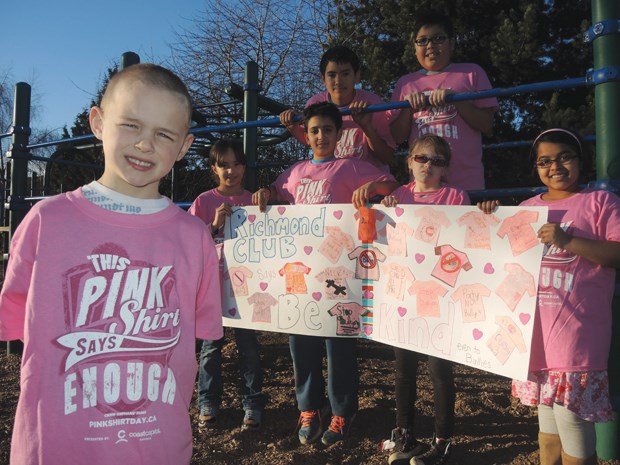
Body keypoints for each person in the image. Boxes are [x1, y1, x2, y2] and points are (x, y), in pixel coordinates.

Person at [0, 64, 223, 465]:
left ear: (185, 147)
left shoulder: (194, 239)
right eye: (132, 125)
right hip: (55, 448)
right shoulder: (46, 222)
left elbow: (205, 328)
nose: (144, 144)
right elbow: (12, 318)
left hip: (156, 449)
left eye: (163, 134)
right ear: (98, 122)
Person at [254, 101, 399, 446]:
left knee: (339, 345)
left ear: (339, 134)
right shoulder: (294, 172)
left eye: (328, 130)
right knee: (299, 340)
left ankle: (342, 411)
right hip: (300, 274)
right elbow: (276, 193)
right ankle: (309, 408)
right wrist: (266, 192)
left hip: (340, 274)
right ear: (306, 134)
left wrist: (374, 190)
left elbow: (392, 185)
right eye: (314, 130)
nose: (321, 136)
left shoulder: (352, 167)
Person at [478, 128, 620, 465]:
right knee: (546, 422)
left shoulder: (600, 202)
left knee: (571, 418)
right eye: (544, 161)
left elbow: (616, 254)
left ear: (580, 160)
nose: (554, 166)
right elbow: (494, 257)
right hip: (534, 337)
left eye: (564, 157)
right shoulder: (526, 208)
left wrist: (568, 241)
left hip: (578, 337)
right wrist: (488, 216)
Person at [380, 134, 469, 465]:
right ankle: (404, 432)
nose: (428, 166)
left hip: (441, 301)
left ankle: (442, 439)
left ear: (446, 169)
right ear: (409, 161)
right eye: (421, 158)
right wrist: (387, 209)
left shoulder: (456, 196)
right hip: (403, 298)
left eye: (437, 161)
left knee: (439, 372)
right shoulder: (398, 196)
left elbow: (463, 239)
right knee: (403, 370)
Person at [189, 139, 266, 431]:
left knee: (249, 348)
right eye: (224, 165)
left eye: (236, 164)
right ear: (214, 169)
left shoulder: (254, 201)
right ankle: (208, 401)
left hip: (247, 291)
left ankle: (253, 402)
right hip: (213, 290)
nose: (230, 171)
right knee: (210, 349)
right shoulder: (204, 202)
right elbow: (189, 245)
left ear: (244, 167)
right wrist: (212, 227)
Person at [389, 10, 498, 190]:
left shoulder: (472, 72)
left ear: (452, 43)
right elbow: (397, 136)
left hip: (467, 186)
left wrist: (456, 100)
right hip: (423, 189)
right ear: (414, 48)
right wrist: (407, 108)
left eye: (438, 38)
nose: (430, 45)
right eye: (422, 40)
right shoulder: (405, 84)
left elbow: (487, 124)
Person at [280, 45, 395, 170]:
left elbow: (387, 157)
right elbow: (310, 140)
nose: (338, 81)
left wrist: (366, 126)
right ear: (323, 78)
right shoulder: (315, 103)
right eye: (332, 75)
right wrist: (292, 127)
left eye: (345, 74)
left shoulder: (372, 103)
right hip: (335, 181)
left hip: (368, 183)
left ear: (357, 75)